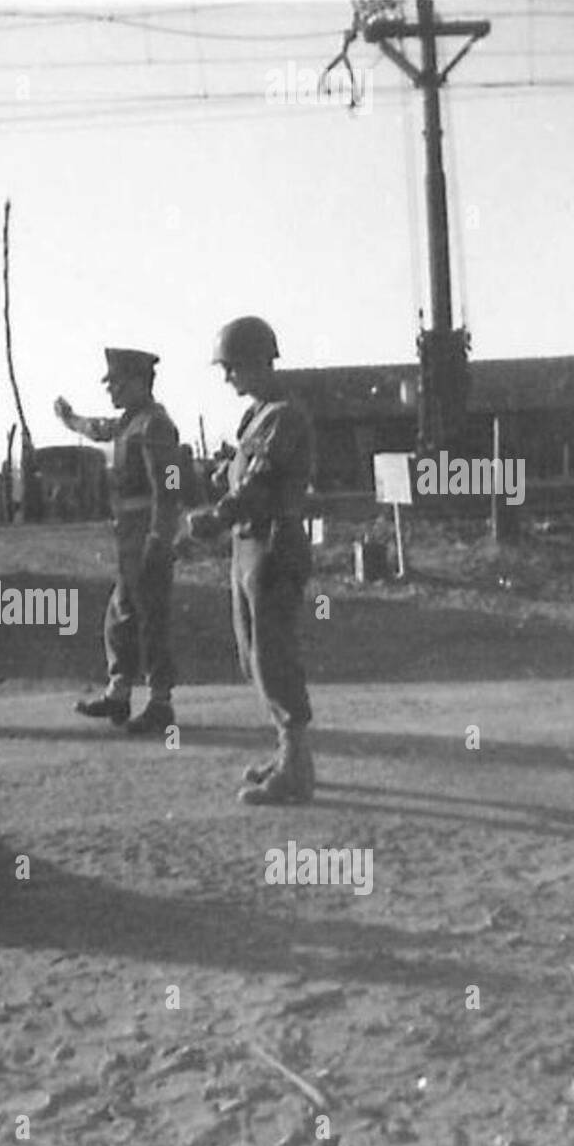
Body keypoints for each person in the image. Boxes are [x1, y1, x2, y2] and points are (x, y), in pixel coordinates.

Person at [188, 317, 315, 803]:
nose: (228, 378)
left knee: (275, 654)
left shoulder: (284, 414)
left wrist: (215, 516)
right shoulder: (257, 416)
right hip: (248, 547)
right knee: (254, 657)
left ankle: (297, 768)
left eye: (232, 367)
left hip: (273, 546)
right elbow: (240, 473)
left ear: (259, 360)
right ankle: (287, 755)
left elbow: (259, 487)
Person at [54, 348, 181, 733]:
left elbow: (170, 485)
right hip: (130, 532)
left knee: (150, 618)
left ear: (139, 383)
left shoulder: (155, 425)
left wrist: (160, 537)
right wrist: (71, 420)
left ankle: (160, 704)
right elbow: (102, 429)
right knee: (121, 616)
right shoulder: (133, 422)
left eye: (117, 383)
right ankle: (119, 694)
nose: (111, 390)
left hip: (147, 533)